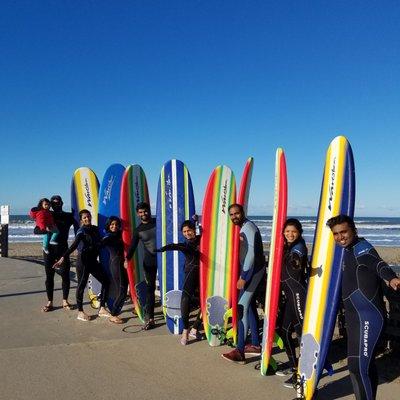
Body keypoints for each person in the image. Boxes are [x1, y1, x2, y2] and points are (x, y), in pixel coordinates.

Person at [326, 214, 400, 400]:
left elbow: (379, 264)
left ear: (354, 230)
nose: (340, 237)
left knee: (358, 368)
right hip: (354, 319)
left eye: (344, 232)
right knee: (361, 367)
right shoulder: (347, 250)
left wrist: (391, 277)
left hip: (368, 317)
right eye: (336, 234)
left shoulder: (362, 249)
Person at [222, 204, 265, 364]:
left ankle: (240, 351)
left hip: (253, 273)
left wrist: (244, 277)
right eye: (231, 214)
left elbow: (251, 255)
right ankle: (254, 344)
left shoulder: (248, 228)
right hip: (253, 272)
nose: (234, 216)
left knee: (241, 308)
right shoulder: (244, 227)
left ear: (243, 213)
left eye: (236, 213)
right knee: (250, 307)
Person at [53, 209, 111, 322]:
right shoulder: (81, 231)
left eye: (88, 216)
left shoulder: (95, 229)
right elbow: (74, 245)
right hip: (83, 262)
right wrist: (63, 257)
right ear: (81, 220)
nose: (87, 218)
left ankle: (102, 308)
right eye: (84, 217)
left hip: (93, 261)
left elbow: (100, 242)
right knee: (81, 285)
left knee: (106, 281)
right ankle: (80, 312)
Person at [157, 219, 202, 345]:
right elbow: (175, 246)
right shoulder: (185, 245)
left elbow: (207, 230)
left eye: (189, 231)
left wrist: (196, 220)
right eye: (184, 231)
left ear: (194, 230)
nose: (187, 233)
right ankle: (186, 330)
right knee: (185, 299)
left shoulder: (202, 239)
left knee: (204, 302)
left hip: (205, 275)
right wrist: (164, 248)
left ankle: (195, 328)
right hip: (191, 274)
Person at [276, 219, 308, 388]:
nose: (290, 234)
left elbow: (298, 261)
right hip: (289, 295)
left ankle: (301, 373)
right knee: (283, 330)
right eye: (287, 231)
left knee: (301, 334)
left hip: (298, 295)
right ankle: (294, 365)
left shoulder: (299, 248)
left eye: (293, 231)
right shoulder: (288, 246)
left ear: (299, 232)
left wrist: (296, 262)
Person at [34, 195, 78, 312]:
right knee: (49, 276)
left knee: (65, 275)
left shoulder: (68, 216)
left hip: (63, 249)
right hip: (49, 251)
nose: (55, 204)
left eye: (57, 202)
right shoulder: (48, 214)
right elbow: (36, 230)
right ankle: (50, 302)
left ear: (62, 203)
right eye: (53, 203)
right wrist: (45, 229)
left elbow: (80, 224)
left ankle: (65, 301)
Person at [125, 202, 157, 330]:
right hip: (149, 261)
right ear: (138, 214)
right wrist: (127, 259)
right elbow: (132, 246)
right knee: (150, 289)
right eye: (141, 212)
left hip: (163, 258)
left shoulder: (157, 221)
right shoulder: (138, 230)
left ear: (149, 211)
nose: (144, 214)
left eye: (145, 211)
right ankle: (150, 318)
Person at [101, 216, 128, 324]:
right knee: (122, 291)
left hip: (121, 264)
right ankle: (113, 314)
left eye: (116, 224)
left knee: (122, 290)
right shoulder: (109, 237)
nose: (114, 226)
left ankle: (114, 312)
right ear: (108, 225)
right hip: (116, 265)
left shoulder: (118, 234)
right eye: (112, 224)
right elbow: (100, 244)